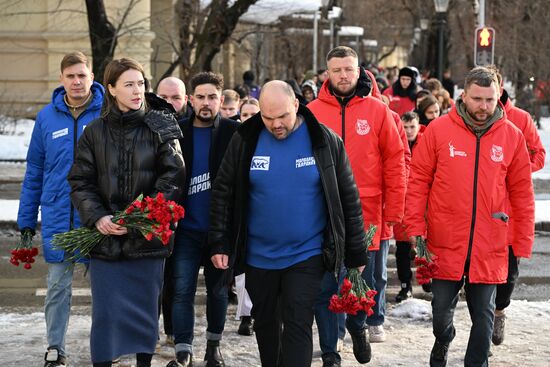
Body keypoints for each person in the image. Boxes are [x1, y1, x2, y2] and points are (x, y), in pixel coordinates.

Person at [208, 80, 369, 367]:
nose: (276, 124)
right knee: (267, 325)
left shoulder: (324, 140)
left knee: (298, 322)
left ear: (296, 105)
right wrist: (219, 241)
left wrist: (356, 251)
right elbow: (223, 191)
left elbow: (348, 198)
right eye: (268, 118)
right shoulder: (246, 139)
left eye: (282, 116)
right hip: (258, 256)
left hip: (306, 254)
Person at [404, 66, 535, 367]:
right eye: (477, 99)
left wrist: (522, 240)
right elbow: (419, 180)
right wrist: (415, 226)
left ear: (498, 96)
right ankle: (443, 338)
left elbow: (522, 193)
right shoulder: (438, 131)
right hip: (445, 237)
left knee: (484, 315)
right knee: (440, 312)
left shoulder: (512, 136)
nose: (484, 106)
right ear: (463, 96)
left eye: (490, 99)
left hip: (490, 241)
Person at [68, 57, 185, 367]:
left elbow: (173, 177)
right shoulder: (94, 132)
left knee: (144, 313)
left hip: (147, 239)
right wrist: (99, 218)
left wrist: (140, 217)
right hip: (105, 241)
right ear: (111, 89)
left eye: (141, 84)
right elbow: (80, 181)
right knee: (105, 314)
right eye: (129, 84)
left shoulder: (160, 125)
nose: (137, 91)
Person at [308, 46, 406, 365]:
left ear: (359, 70)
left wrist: (394, 209)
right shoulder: (311, 112)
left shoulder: (378, 111)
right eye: (337, 70)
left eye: (349, 69)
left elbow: (395, 160)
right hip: (323, 212)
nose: (343, 75)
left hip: (368, 210)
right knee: (328, 281)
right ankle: (332, 340)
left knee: (361, 279)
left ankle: (358, 325)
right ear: (327, 73)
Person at [16, 51, 103, 367]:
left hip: (97, 217)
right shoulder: (46, 117)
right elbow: (35, 169)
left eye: (82, 75)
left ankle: (107, 347)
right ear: (61, 79)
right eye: (71, 76)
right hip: (57, 217)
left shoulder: (106, 112)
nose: (77, 81)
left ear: (92, 77)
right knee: (57, 288)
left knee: (106, 289)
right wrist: (26, 218)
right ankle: (55, 347)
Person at [166, 72, 239, 367]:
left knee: (218, 291)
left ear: (220, 101)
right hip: (185, 230)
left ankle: (213, 346)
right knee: (181, 289)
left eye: (212, 98)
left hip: (220, 231)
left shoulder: (234, 133)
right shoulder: (178, 131)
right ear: (191, 100)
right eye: (201, 98)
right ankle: (183, 350)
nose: (206, 104)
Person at [488, 66, 545, 347]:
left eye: (494, 86)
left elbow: (539, 154)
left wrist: (514, 170)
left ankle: (499, 311)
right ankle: (483, 320)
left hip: (510, 209)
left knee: (509, 271)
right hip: (478, 209)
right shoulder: (470, 118)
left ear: (500, 87)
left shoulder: (520, 119)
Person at [155, 75, 191, 346]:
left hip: (187, 217)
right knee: (155, 278)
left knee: (177, 281)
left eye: (175, 97)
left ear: (185, 99)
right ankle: (149, 329)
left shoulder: (192, 128)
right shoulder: (147, 125)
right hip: (155, 213)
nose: (169, 102)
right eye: (164, 97)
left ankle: (172, 329)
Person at [232, 97, 260, 336]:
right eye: (245, 115)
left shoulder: (267, 139)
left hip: (266, 215)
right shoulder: (236, 140)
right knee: (242, 271)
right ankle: (245, 315)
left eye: (254, 114)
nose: (249, 119)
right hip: (242, 214)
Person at [393, 111, 422, 302]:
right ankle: (406, 286)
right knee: (403, 247)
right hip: (401, 203)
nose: (409, 131)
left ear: (419, 126)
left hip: (420, 203)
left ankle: (427, 278)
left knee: (422, 244)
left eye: (412, 127)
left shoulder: (426, 143)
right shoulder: (396, 142)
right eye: (405, 127)